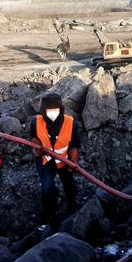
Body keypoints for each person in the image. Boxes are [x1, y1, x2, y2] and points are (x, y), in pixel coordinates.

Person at [30, 91, 81, 225]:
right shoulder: (35, 121)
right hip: (45, 160)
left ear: (61, 109)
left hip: (64, 161)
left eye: (56, 110)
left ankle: (72, 206)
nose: (52, 113)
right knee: (46, 188)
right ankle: (51, 214)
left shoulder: (71, 123)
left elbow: (75, 144)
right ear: (43, 110)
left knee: (69, 185)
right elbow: (33, 137)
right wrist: (37, 147)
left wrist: (73, 161)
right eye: (49, 110)